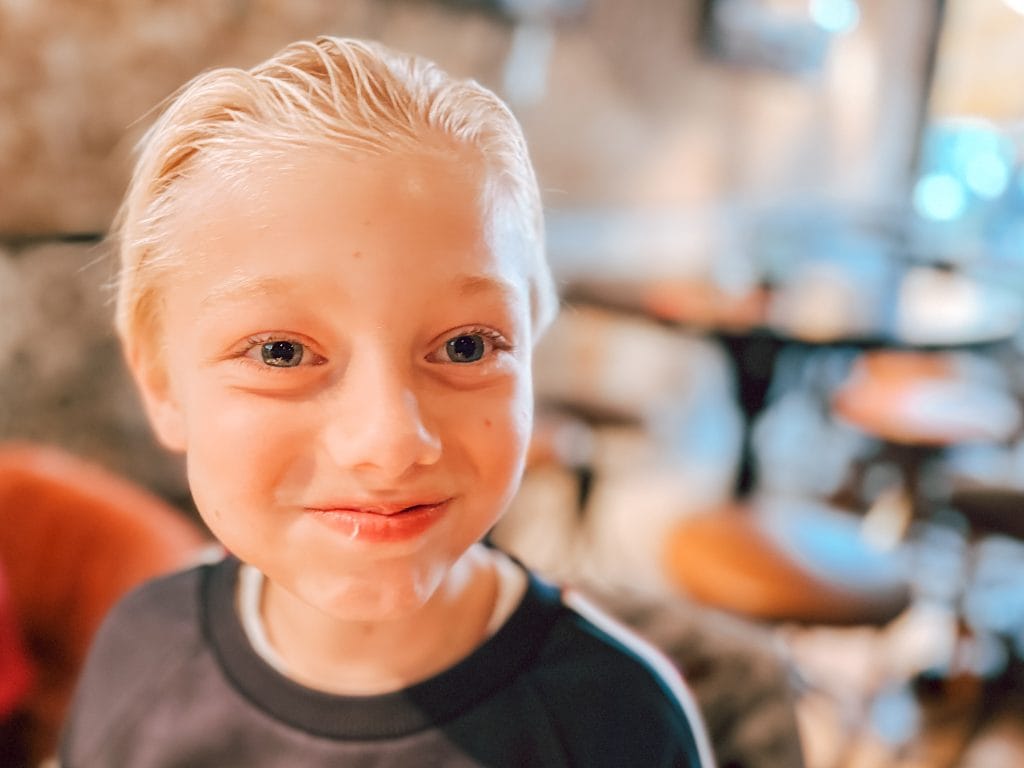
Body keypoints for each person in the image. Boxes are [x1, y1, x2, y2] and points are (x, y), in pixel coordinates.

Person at [59, 36, 716, 767]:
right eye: (281, 353)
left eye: (465, 346)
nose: (390, 443)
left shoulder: (619, 721)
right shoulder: (142, 655)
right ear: (161, 386)